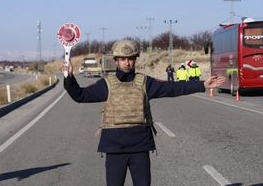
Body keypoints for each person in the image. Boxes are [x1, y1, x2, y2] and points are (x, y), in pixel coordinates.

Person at [63, 39, 225, 186]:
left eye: (131, 59)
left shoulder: (145, 82)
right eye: (123, 59)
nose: (127, 63)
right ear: (116, 61)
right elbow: (80, 95)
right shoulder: (106, 84)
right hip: (114, 148)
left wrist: (202, 85)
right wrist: (69, 77)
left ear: (135, 60)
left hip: (140, 146)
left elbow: (173, 88)